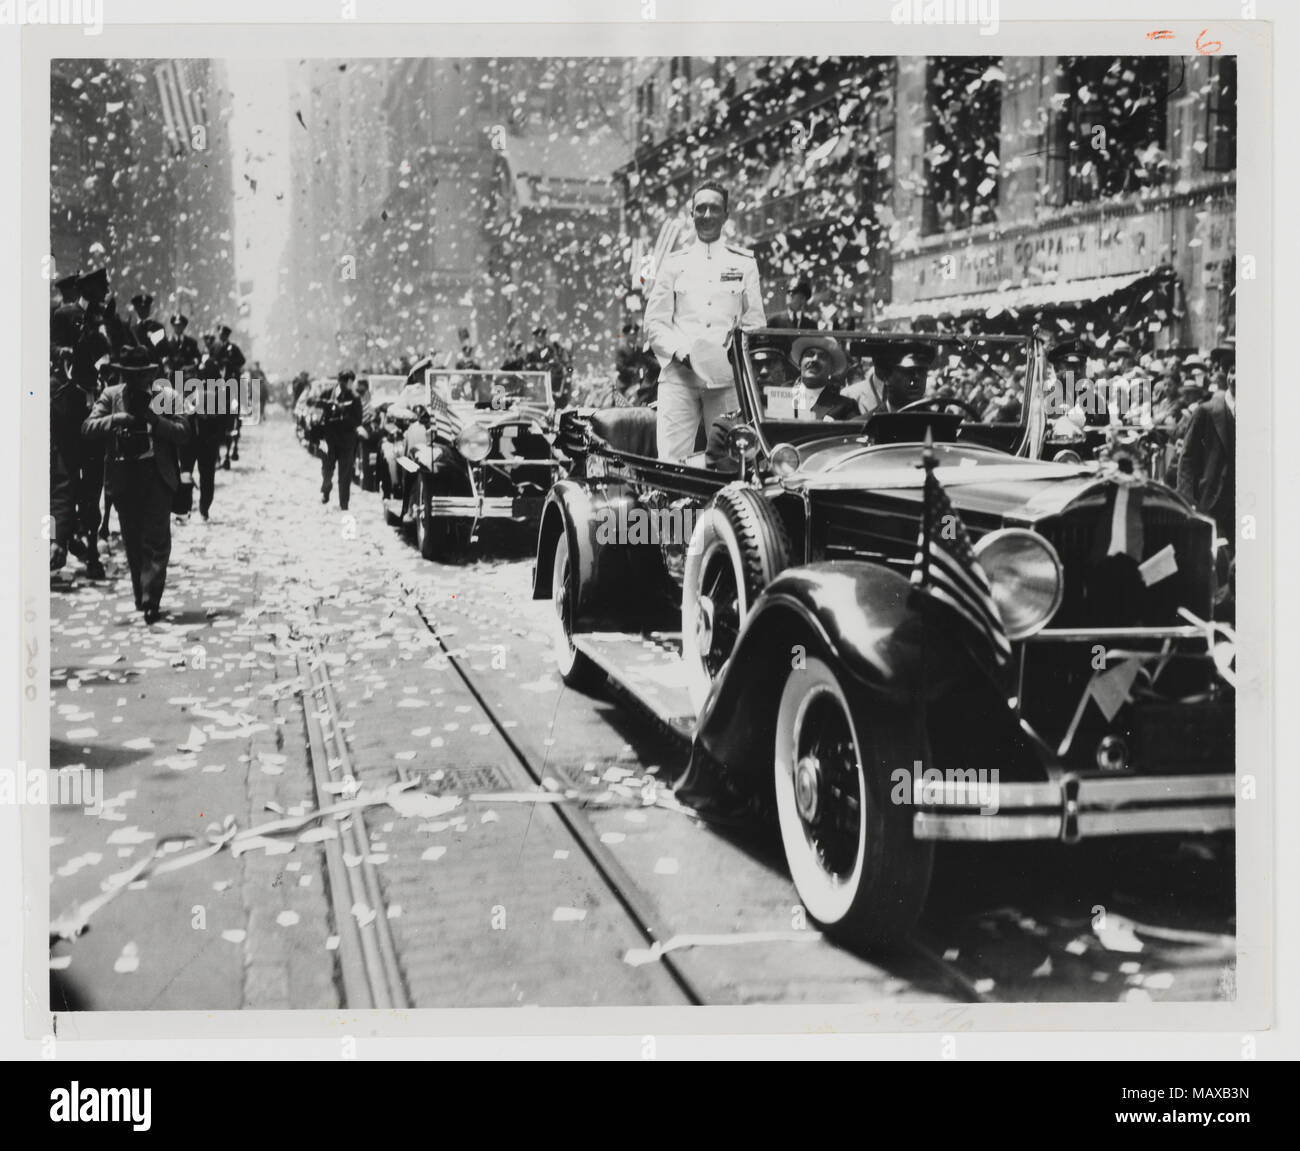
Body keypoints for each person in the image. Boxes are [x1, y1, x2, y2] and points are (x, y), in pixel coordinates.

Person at [645, 179, 765, 460]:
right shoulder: (674, 263)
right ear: (691, 214)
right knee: (672, 460)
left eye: (714, 208)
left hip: (725, 380)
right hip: (679, 377)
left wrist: (730, 352)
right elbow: (655, 322)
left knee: (728, 460)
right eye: (701, 209)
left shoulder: (744, 263)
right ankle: (673, 508)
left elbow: (755, 322)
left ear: (726, 214)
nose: (707, 215)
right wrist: (681, 352)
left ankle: (716, 507)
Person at [80, 347, 191, 623]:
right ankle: (141, 593)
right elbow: (87, 428)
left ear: (150, 374)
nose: (137, 381)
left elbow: (184, 432)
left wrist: (156, 421)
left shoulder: (166, 397)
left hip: (156, 475)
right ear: (123, 375)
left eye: (141, 375)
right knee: (133, 540)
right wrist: (116, 420)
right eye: (130, 375)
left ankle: (151, 598)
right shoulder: (111, 396)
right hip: (125, 475)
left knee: (156, 540)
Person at [314, 369, 363, 510]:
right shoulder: (329, 393)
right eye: (343, 381)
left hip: (346, 440)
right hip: (329, 439)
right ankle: (326, 490)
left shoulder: (355, 398)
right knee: (327, 469)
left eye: (348, 382)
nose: (345, 385)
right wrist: (326, 404)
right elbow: (316, 405)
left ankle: (344, 503)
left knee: (345, 474)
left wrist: (344, 414)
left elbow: (357, 420)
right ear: (339, 381)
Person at [788, 334, 858, 419]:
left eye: (822, 357)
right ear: (800, 362)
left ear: (831, 368)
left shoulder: (845, 406)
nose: (814, 359)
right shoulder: (779, 394)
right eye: (810, 354)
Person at [212, 324, 246, 467]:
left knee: (233, 416)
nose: (222, 337)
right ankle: (217, 455)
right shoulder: (215, 348)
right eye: (221, 334)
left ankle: (229, 451)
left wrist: (230, 363)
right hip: (218, 387)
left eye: (224, 335)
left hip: (231, 386)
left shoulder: (234, 349)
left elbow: (242, 361)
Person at [524, 323, 573, 408]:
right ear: (535, 338)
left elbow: (555, 361)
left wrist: (549, 365)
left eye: (542, 336)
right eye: (538, 337)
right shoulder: (531, 352)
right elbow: (527, 365)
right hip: (535, 381)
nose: (541, 339)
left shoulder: (550, 349)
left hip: (549, 381)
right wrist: (535, 366)